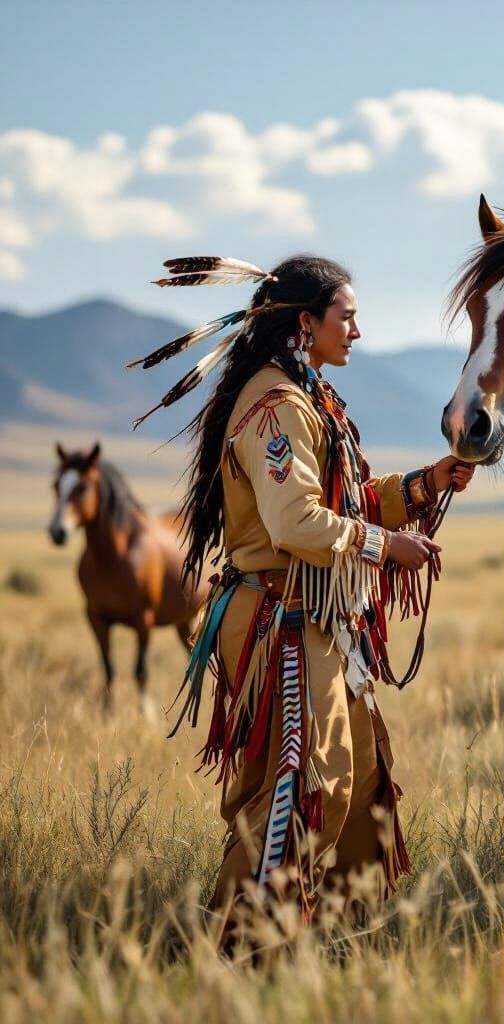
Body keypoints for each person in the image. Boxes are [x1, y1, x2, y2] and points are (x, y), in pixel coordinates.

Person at [129, 254, 473, 932]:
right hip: (278, 622)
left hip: (314, 618)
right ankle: (245, 952)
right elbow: (295, 522)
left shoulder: (306, 395)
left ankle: (336, 940)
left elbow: (344, 501)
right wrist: (384, 546)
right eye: (347, 317)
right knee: (300, 789)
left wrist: (425, 484)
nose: (358, 331)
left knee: (361, 777)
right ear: (307, 322)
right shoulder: (277, 407)